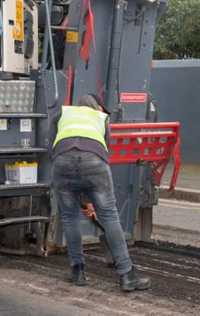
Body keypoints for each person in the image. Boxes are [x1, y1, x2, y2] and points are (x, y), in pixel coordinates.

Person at [48, 94, 151, 292]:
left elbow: (51, 147)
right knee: (110, 217)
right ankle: (127, 275)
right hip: (94, 163)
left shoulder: (62, 113)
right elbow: (103, 152)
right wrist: (91, 197)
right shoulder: (101, 118)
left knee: (69, 218)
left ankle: (77, 272)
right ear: (97, 107)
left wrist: (83, 199)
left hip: (62, 163)